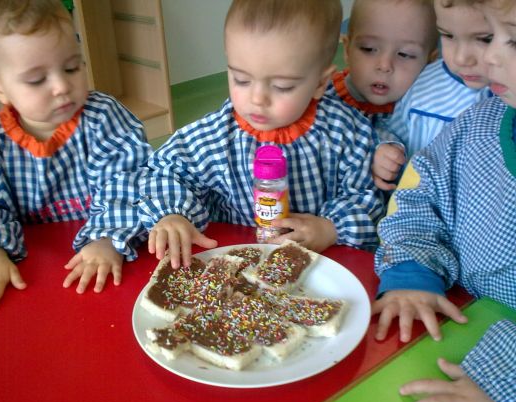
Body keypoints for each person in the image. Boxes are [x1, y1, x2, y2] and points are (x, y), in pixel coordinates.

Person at [137, 0, 384, 269]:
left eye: (282, 86)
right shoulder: (218, 134)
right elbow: (162, 172)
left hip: (323, 264)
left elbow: (369, 198)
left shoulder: (345, 132)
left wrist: (331, 228)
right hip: (238, 263)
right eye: (241, 80)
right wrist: (172, 214)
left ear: (320, 83)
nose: (257, 99)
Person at [0, 0, 152, 317]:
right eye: (36, 80)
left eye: (72, 67)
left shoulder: (105, 119)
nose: (62, 86)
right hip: (34, 280)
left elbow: (130, 180)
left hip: (107, 263)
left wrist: (107, 237)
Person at [372, 0, 516, 402]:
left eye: (511, 39)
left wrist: (506, 388)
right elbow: (419, 195)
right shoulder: (477, 122)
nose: (487, 56)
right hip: (452, 320)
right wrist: (413, 270)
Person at [374, 0, 493, 190]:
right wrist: (386, 150)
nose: (461, 58)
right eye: (448, 35)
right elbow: (392, 129)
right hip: (414, 206)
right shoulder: (423, 82)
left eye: (485, 39)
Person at [330, 0, 437, 190]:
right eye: (369, 49)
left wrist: (393, 163)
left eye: (404, 54)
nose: (385, 65)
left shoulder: (421, 114)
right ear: (346, 49)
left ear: (430, 63)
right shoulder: (325, 98)